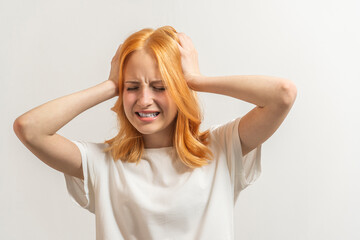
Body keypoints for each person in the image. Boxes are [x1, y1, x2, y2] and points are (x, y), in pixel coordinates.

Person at [13, 26, 297, 240]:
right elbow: (30, 128)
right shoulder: (103, 162)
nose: (144, 100)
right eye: (132, 87)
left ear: (180, 90)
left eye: (160, 87)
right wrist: (111, 84)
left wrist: (196, 80)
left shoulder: (220, 149)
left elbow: (282, 95)